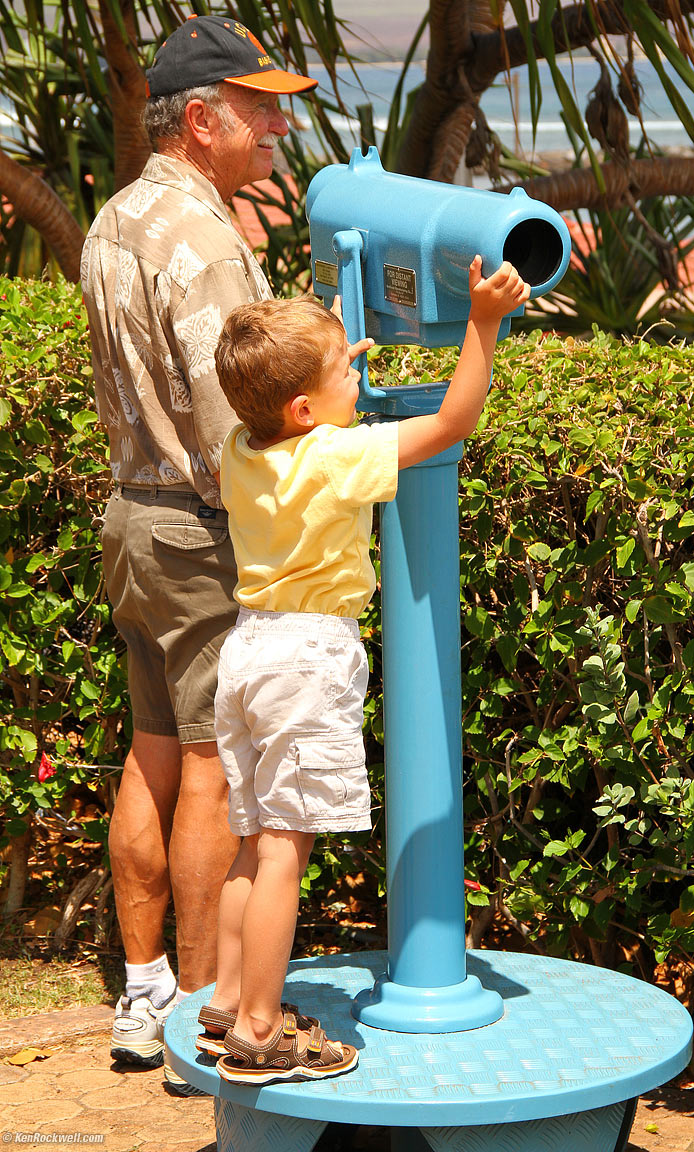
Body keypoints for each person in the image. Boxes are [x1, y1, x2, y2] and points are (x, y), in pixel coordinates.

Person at [192, 256, 530, 1084]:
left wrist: (328, 366)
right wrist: (483, 324)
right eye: (345, 370)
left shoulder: (242, 445)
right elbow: (450, 423)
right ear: (305, 409)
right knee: (286, 849)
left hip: (247, 650)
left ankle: (226, 1004)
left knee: (252, 841)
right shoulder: (335, 458)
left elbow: (296, 409)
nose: (358, 373)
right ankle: (261, 1034)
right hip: (307, 659)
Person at [79, 15, 317, 1091]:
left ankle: (144, 996)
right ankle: (200, 1019)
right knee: (213, 768)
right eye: (260, 108)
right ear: (202, 120)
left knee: (152, 753)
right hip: (198, 532)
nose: (278, 127)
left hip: (131, 518)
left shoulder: (113, 218)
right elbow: (237, 430)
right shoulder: (208, 241)